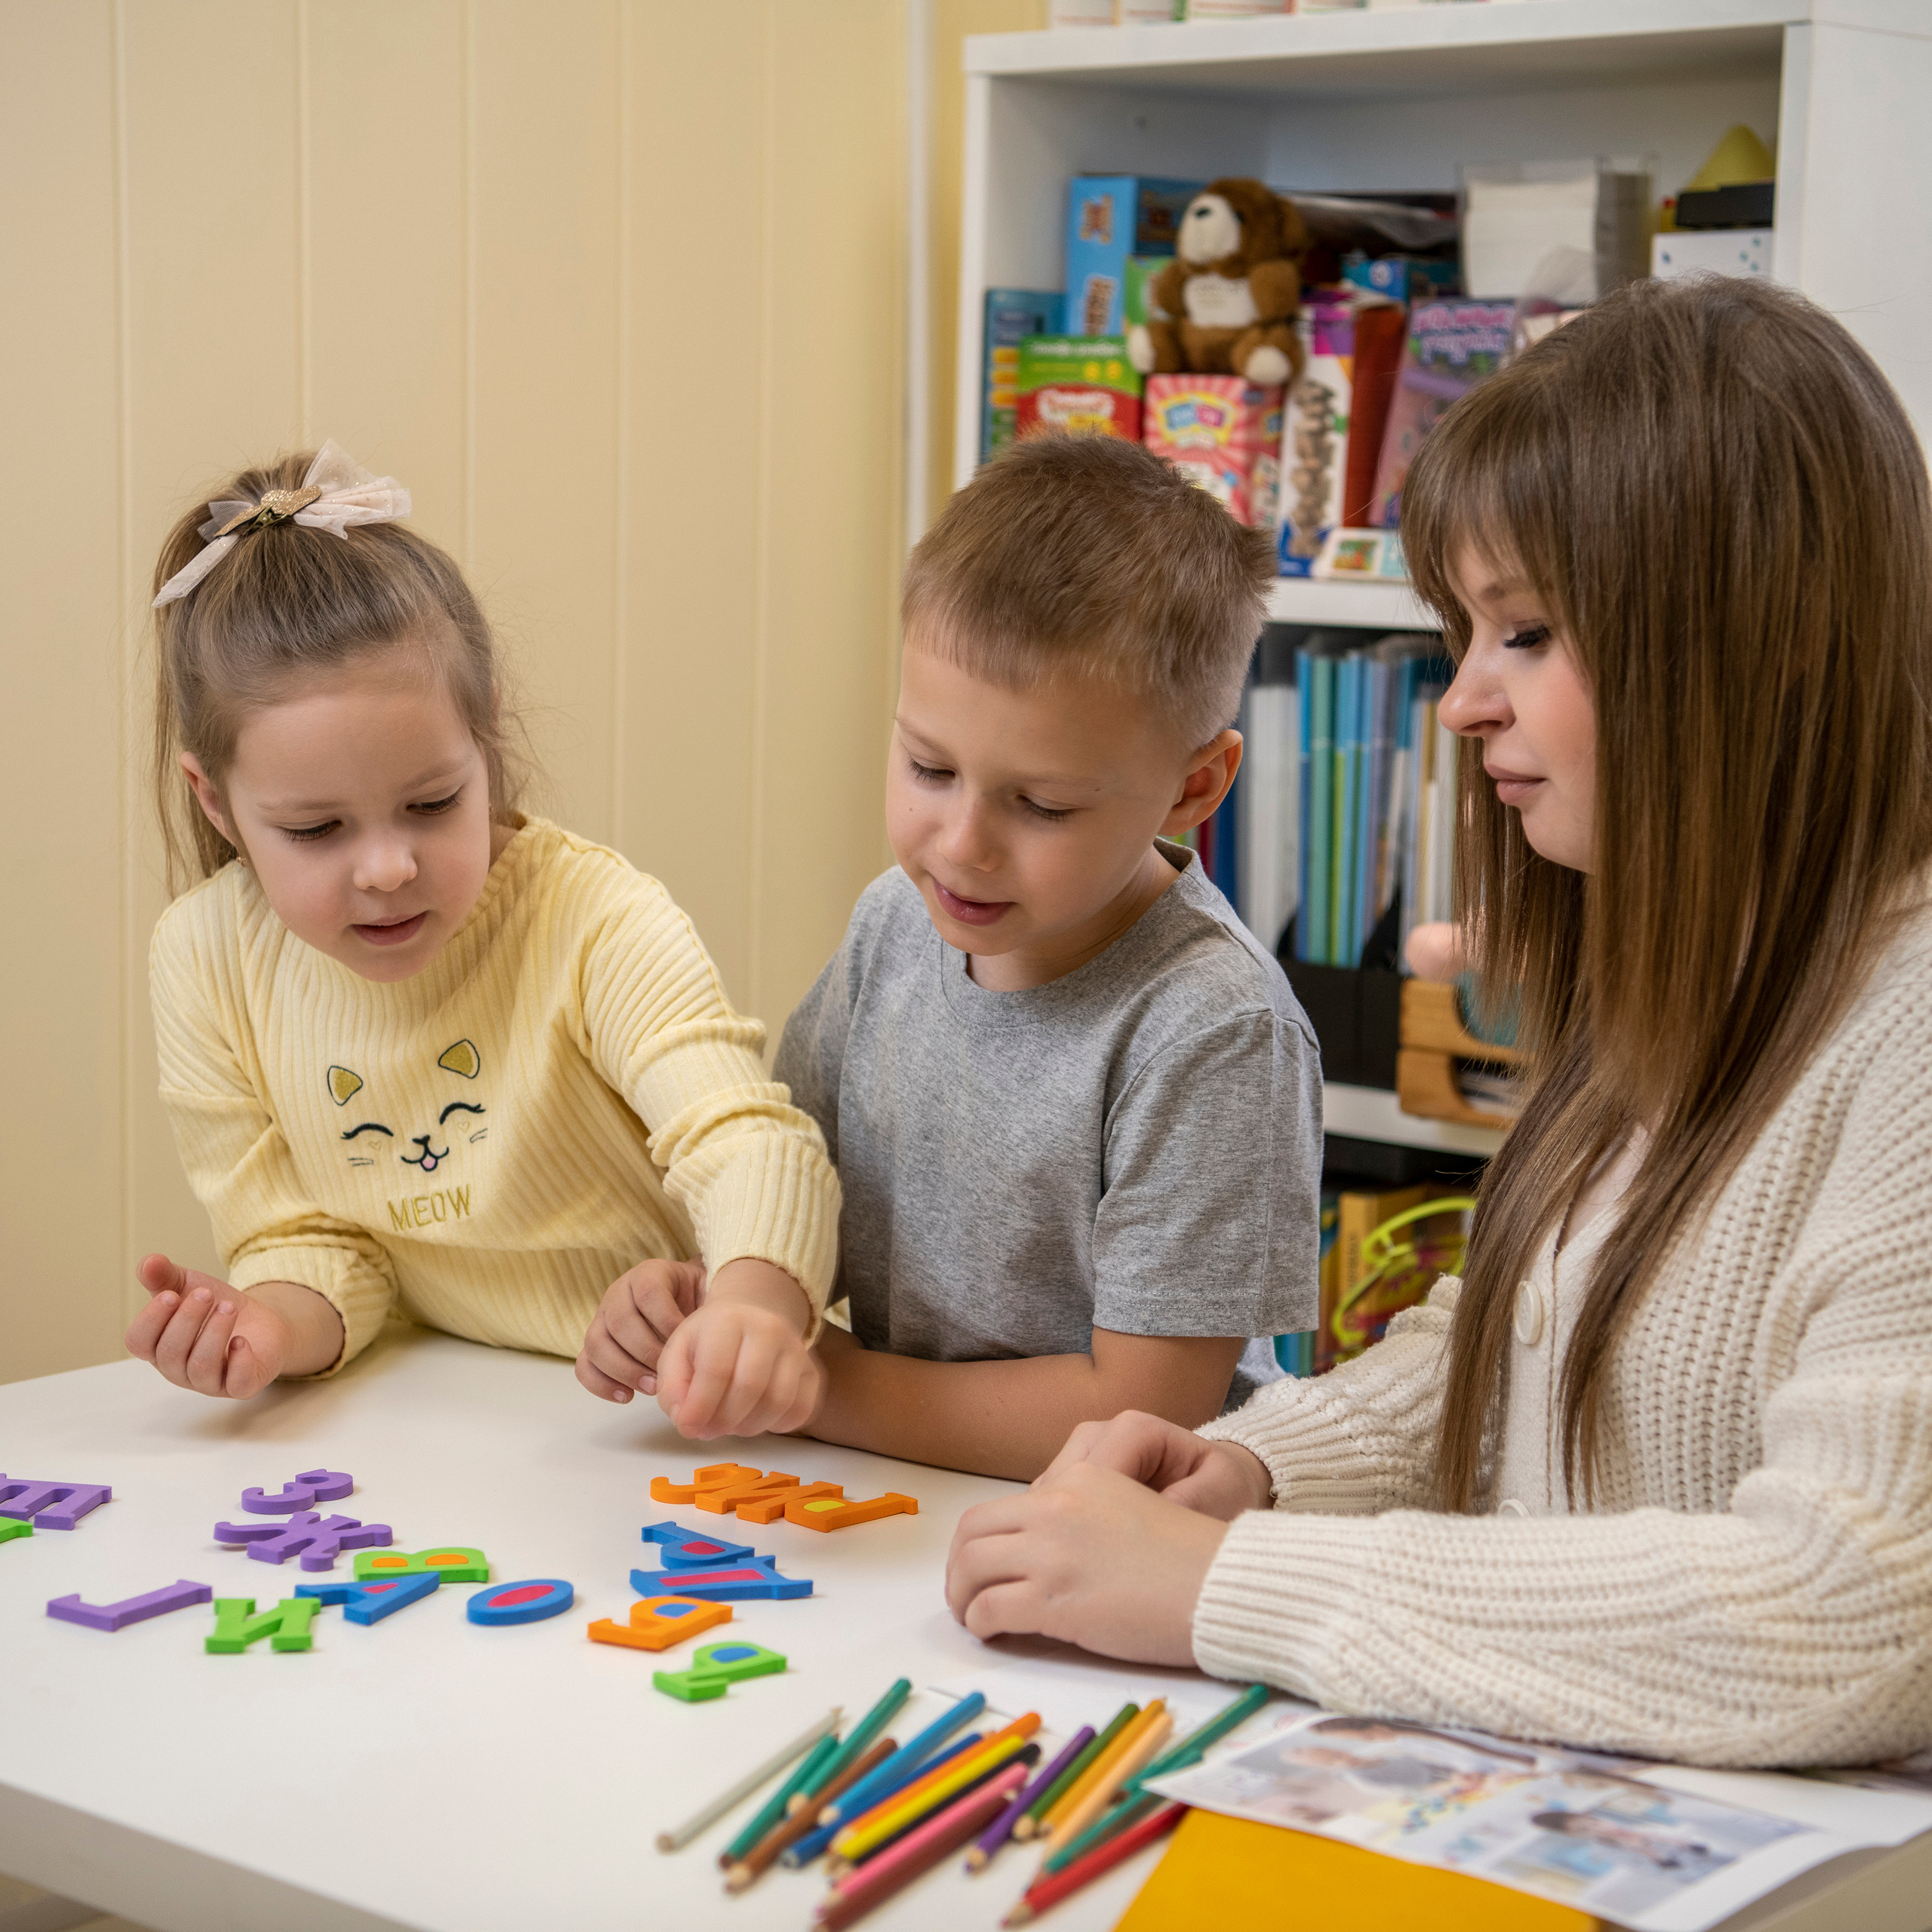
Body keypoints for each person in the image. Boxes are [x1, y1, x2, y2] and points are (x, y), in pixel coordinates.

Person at [945, 275, 1932, 1767]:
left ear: (1755, 638)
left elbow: (1856, 1602)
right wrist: (1254, 1469)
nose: (1462, 700)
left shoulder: (1903, 1030)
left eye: (1523, 632)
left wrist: (1226, 1583)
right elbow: (1511, 1355)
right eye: (1465, 632)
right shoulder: (1684, 964)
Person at [130, 441, 839, 1439]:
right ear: (217, 802)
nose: (387, 868)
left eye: (431, 802)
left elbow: (744, 1139)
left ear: (486, 737)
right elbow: (311, 1246)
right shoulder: (203, 956)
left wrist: (749, 1309)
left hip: (660, 1413)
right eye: (316, 829)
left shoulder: (593, 916)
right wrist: (264, 1331)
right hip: (458, 1422)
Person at [763, 434, 1321, 1480]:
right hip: (906, 1499)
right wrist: (728, 1293)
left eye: (1043, 804)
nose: (962, 844)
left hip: (1123, 1535)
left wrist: (820, 1384)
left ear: (1195, 789)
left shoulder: (1214, 1027)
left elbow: (1140, 1416)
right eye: (930, 767)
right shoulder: (895, 922)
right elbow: (787, 1184)